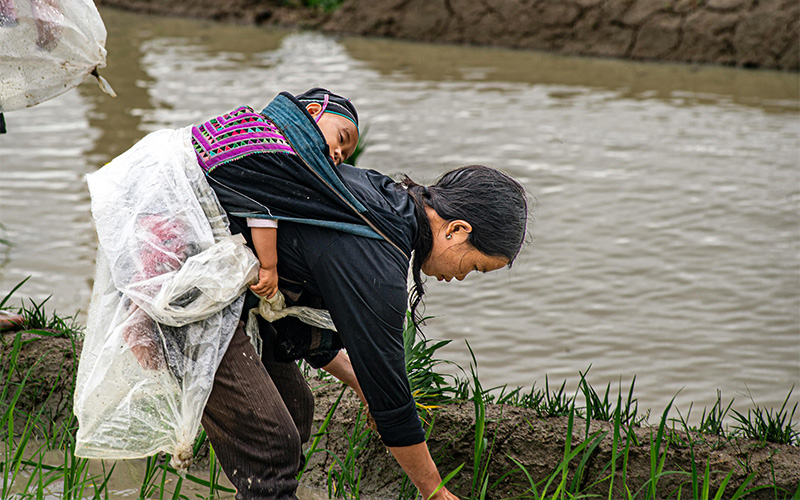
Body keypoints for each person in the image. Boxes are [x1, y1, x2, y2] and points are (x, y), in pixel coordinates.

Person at [194, 88, 529, 500]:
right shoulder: (378, 255)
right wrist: (435, 491)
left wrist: (357, 380)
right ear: (457, 230)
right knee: (272, 444)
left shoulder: (379, 197)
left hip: (229, 293)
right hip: (183, 286)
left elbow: (295, 310)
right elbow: (391, 396)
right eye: (475, 266)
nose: (461, 278)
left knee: (296, 410)